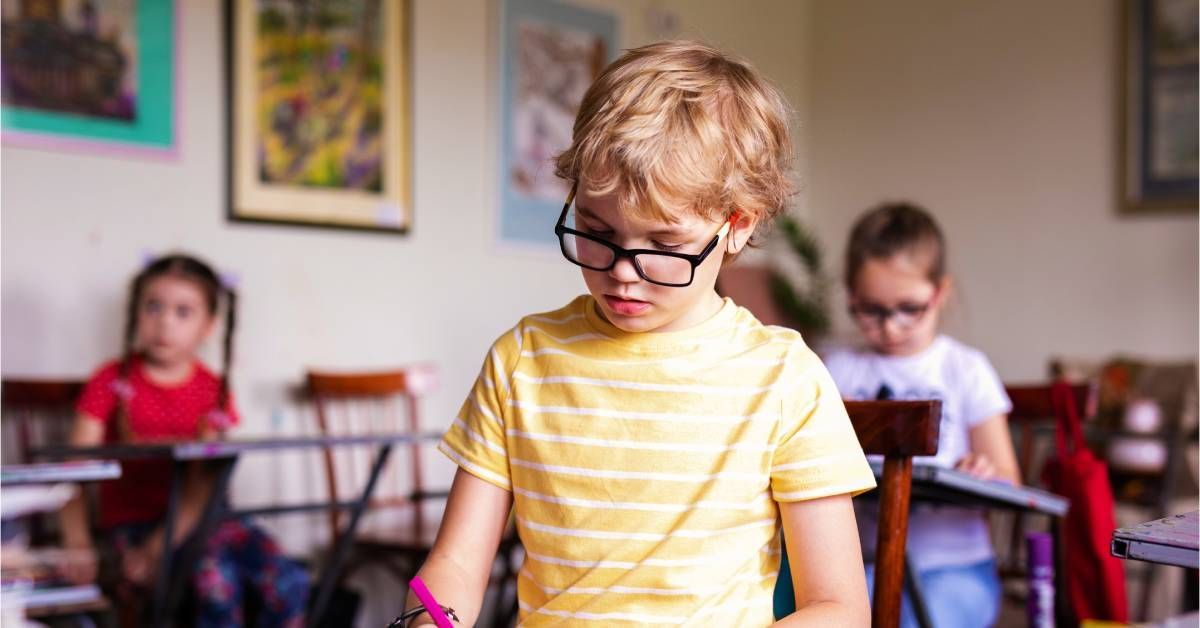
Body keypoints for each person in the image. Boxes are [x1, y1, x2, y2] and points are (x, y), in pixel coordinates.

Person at [403, 41, 876, 627]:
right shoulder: (522, 360)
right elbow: (454, 564)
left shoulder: (783, 379)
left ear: (738, 225)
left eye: (665, 245)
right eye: (598, 230)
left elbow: (839, 609)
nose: (623, 272)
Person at [58, 253, 308, 627]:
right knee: (214, 581)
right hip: (132, 528)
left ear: (209, 326)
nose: (165, 323)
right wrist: (76, 543)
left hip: (202, 521)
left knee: (290, 579)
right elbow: (73, 470)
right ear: (135, 313)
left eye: (183, 312)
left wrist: (160, 547)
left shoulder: (213, 390)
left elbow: (203, 486)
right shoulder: (109, 380)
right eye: (153, 307)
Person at [823, 202, 1021, 628]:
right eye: (871, 310)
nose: (891, 327)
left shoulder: (965, 369)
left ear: (940, 293)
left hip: (956, 569)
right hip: (865, 566)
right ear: (851, 295)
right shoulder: (837, 370)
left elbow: (1009, 477)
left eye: (909, 308)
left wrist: (984, 470)